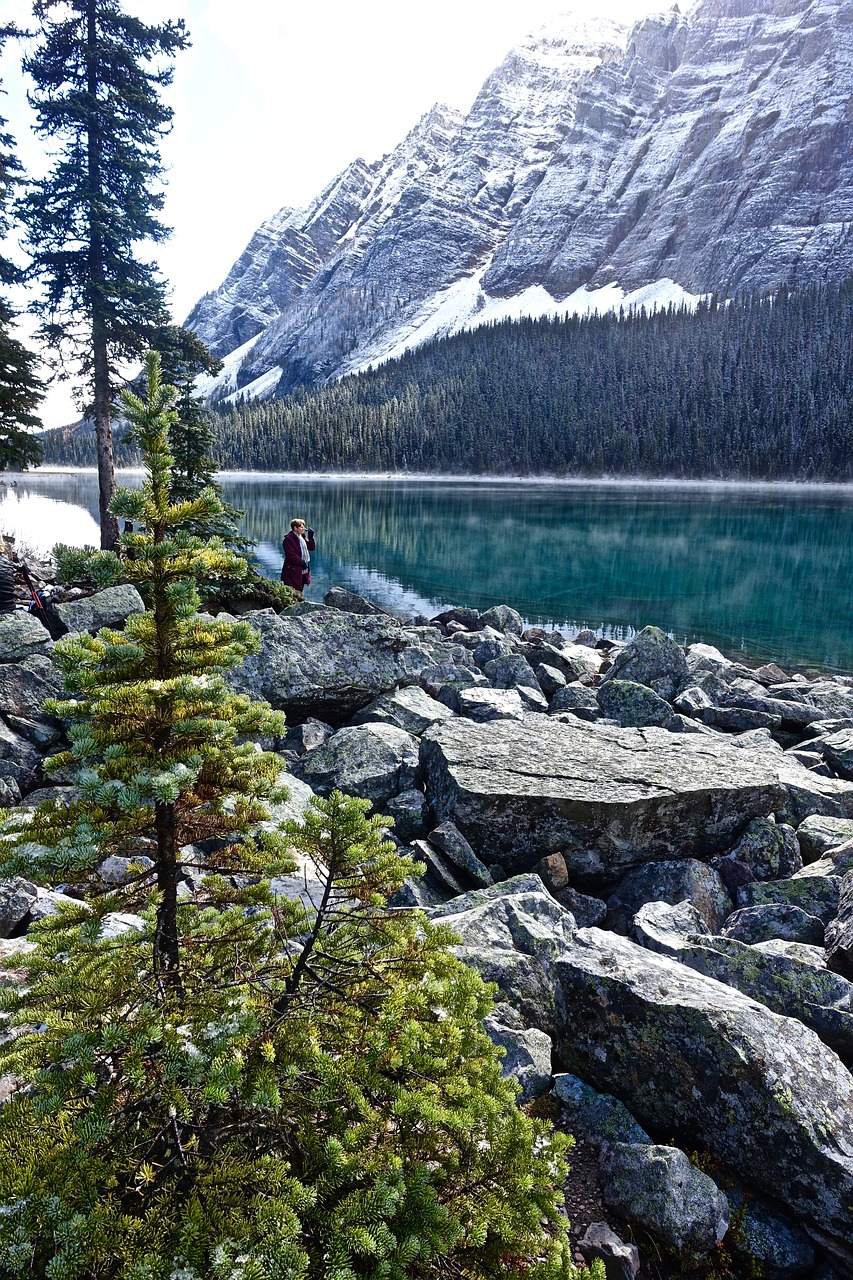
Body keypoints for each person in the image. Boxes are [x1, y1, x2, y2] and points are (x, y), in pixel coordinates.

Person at [281, 517, 316, 594]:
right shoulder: (289, 539)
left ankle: (298, 604)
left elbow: (311, 548)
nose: (303, 529)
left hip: (302, 569)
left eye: (303, 527)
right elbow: (291, 555)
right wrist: (302, 562)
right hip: (293, 570)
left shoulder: (301, 537)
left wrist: (311, 538)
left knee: (300, 587)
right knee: (293, 589)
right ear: (295, 528)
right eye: (301, 527)